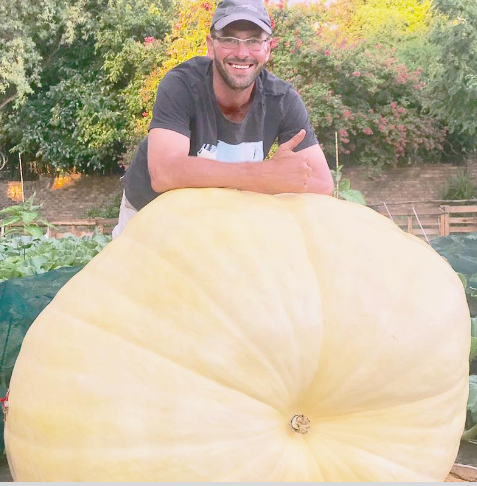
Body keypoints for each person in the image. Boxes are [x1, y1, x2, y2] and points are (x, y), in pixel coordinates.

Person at [112, 0, 334, 238]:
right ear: (211, 45)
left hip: (214, 220)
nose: (241, 52)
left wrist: (275, 177)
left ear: (267, 49)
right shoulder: (181, 85)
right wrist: (265, 175)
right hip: (149, 210)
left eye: (253, 40)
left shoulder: (282, 100)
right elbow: (164, 172)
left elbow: (322, 183)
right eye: (229, 39)